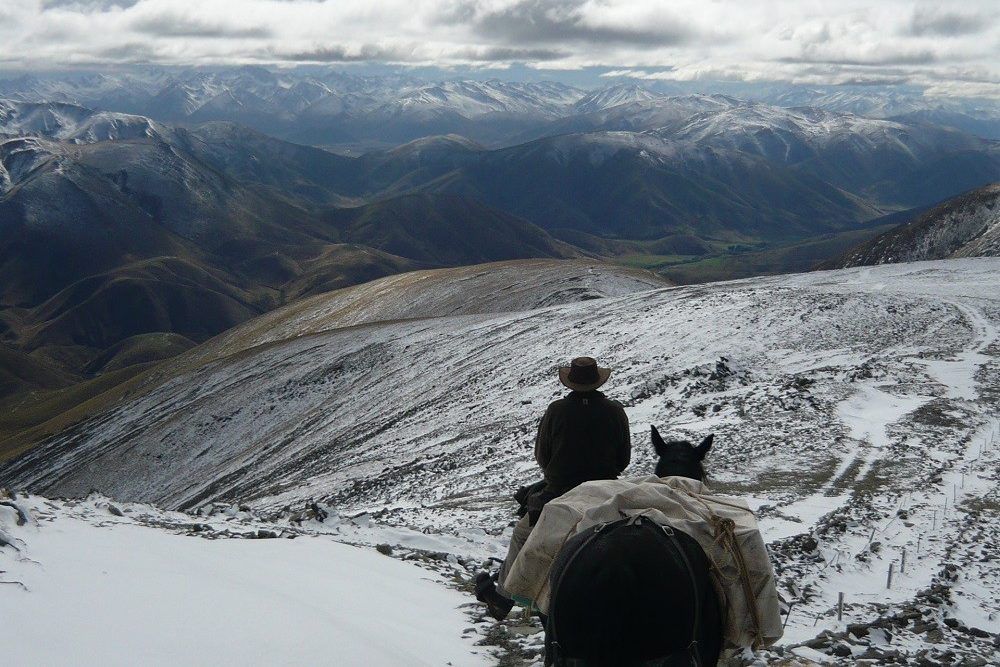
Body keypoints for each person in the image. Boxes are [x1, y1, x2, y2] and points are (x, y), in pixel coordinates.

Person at [475, 356, 631, 620]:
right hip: (604, 490)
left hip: (560, 491)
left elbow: (542, 455)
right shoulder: (615, 410)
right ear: (597, 381)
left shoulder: (556, 410)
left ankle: (502, 599)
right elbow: (623, 459)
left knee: (522, 535)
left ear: (571, 383)